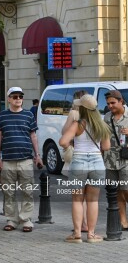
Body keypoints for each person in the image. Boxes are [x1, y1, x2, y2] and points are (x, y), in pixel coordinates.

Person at [60, 94, 111, 243]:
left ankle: (77, 234)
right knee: (93, 201)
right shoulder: (103, 125)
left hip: (78, 162)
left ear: (82, 108)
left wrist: (71, 146)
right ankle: (91, 234)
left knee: (77, 199)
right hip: (97, 163)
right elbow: (106, 146)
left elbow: (63, 141)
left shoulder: (78, 124)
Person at [0, 87, 43, 233]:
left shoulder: (28, 115)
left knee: (27, 191)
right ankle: (12, 219)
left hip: (26, 159)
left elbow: (33, 136)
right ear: (8, 99)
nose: (18, 99)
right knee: (9, 192)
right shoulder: (2, 116)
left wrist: (38, 155)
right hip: (8, 159)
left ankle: (26, 219)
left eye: (20, 96)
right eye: (14, 96)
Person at [61, 90, 88, 232]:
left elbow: (64, 132)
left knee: (77, 195)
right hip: (91, 158)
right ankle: (88, 225)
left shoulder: (73, 114)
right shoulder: (92, 115)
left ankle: (80, 226)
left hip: (76, 155)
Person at [103, 90, 128, 230]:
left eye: (113, 103)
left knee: (126, 189)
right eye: (108, 104)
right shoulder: (107, 117)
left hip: (126, 159)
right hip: (110, 160)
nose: (110, 106)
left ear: (121, 101)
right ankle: (123, 221)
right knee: (116, 191)